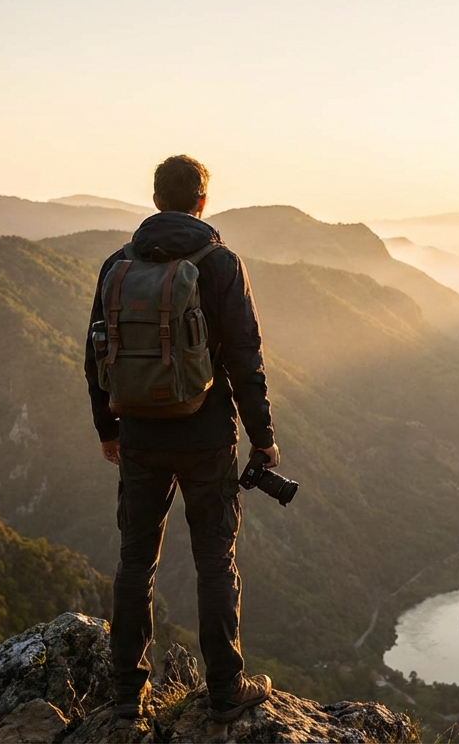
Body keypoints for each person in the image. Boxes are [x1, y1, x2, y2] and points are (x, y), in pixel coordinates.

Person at [83, 154, 277, 722]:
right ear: (201, 201)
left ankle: (127, 694)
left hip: (139, 434)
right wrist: (263, 437)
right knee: (215, 561)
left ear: (154, 199)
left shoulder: (117, 264)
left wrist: (108, 428)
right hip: (207, 437)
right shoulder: (221, 264)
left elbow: (95, 353)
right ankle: (225, 691)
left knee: (134, 561)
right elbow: (245, 358)